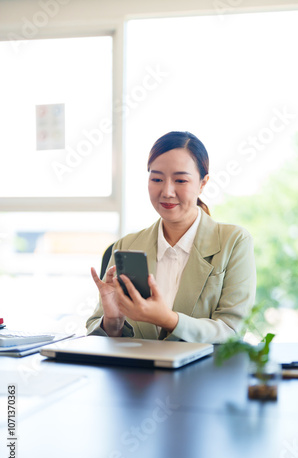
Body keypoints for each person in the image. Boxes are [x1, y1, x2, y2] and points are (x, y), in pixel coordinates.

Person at [86, 131, 256, 343]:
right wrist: (112, 319)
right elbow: (98, 335)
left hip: (202, 374)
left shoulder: (233, 242)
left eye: (180, 180)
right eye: (157, 178)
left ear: (203, 183)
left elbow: (231, 331)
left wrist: (169, 320)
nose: (167, 191)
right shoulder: (126, 245)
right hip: (135, 374)